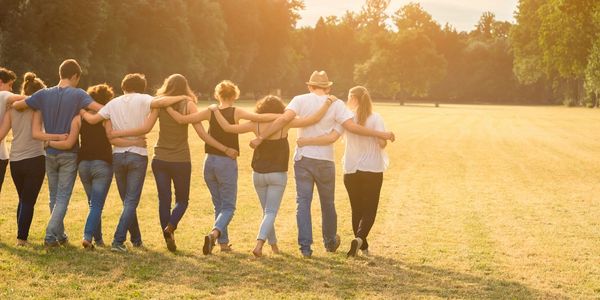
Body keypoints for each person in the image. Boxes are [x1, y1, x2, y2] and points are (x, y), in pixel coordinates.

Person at [248, 71, 394, 258]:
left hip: (303, 160)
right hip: (325, 161)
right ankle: (330, 242)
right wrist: (383, 134)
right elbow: (346, 130)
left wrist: (261, 137)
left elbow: (284, 119)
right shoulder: (337, 105)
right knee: (328, 204)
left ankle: (305, 248)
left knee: (303, 203)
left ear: (309, 86)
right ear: (328, 88)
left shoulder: (299, 99)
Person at [107, 74, 235, 252]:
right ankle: (170, 228)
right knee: (182, 200)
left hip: (159, 159)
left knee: (163, 201)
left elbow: (146, 127)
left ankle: (168, 234)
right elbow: (202, 134)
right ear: (186, 87)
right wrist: (224, 148)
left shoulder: (161, 104)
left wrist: (119, 134)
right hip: (181, 160)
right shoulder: (188, 104)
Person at [209, 95, 338, 257]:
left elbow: (227, 128)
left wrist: (215, 110)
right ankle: (258, 245)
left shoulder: (254, 123)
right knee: (270, 212)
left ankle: (274, 246)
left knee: (266, 212)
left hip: (258, 174)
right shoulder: (286, 123)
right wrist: (327, 103)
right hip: (277, 174)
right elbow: (312, 120)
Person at [81, 73, 194, 253]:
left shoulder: (113, 103)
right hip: (138, 155)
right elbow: (163, 102)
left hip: (118, 156)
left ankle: (136, 239)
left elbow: (93, 119)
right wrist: (182, 96)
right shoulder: (145, 99)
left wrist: (79, 108)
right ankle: (118, 241)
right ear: (142, 87)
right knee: (130, 202)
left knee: (127, 201)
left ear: (123, 85)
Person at [165, 80, 277, 255]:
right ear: (235, 95)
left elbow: (182, 119)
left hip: (209, 162)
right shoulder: (236, 111)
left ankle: (223, 244)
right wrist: (283, 117)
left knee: (219, 204)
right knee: (229, 206)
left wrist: (167, 107)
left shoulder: (210, 112)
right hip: (226, 162)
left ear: (218, 95)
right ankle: (213, 235)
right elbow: (260, 118)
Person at [12, 59, 104, 248]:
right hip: (69, 153)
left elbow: (19, 106)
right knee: (62, 197)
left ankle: (59, 236)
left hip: (49, 152)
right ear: (75, 76)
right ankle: (49, 235)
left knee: (54, 196)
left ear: (60, 73)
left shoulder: (43, 94)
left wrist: (28, 103)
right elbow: (100, 109)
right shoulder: (79, 94)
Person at [297, 86, 389, 257]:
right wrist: (383, 138)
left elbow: (332, 137)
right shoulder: (376, 118)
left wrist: (306, 140)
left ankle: (362, 246)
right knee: (370, 209)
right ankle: (360, 238)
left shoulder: (345, 118)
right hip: (372, 169)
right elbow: (382, 143)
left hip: (351, 169)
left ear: (352, 99)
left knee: (357, 208)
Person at [0, 72, 42, 246]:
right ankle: (21, 239)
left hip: (15, 161)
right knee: (27, 201)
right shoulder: (39, 108)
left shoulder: (11, 110)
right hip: (35, 158)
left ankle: (20, 235)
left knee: (23, 199)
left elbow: (1, 134)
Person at [0, 67, 26, 194]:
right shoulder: (3, 95)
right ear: (0, 82)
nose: (11, 89)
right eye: (9, 85)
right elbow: (28, 98)